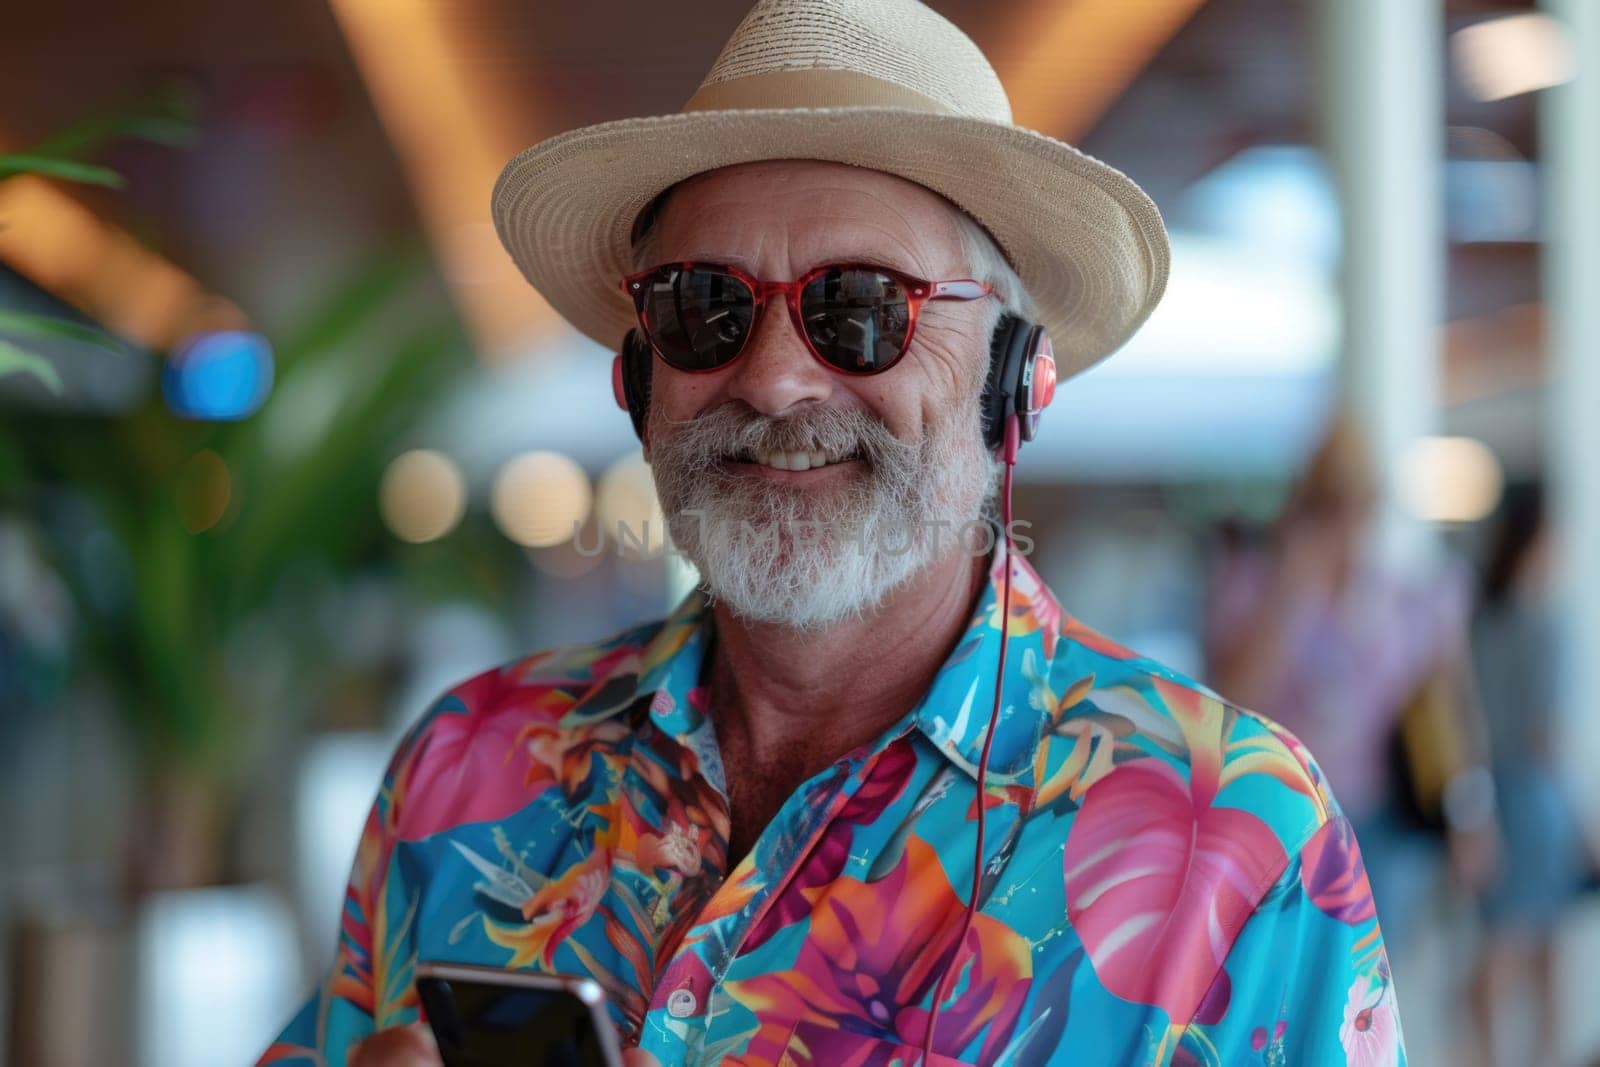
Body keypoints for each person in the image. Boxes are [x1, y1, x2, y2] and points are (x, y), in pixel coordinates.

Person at [262, 1, 1403, 1064]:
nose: (769, 379)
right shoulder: (464, 766)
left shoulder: (1242, 842)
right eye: (703, 307)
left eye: (858, 307)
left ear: (1011, 383)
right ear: (640, 373)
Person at [1205, 417, 1496, 950]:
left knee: (1375, 986)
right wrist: (1290, 593)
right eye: (1329, 503)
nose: (1345, 520)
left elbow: (1446, 711)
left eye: (1358, 502)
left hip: (1376, 819)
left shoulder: (1398, 596)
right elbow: (1228, 700)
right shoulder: (1255, 586)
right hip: (1279, 817)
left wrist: (1470, 814)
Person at [1466, 483, 1593, 1067]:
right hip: (1535, 803)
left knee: (1502, 943)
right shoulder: (1542, 624)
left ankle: (1493, 1056)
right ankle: (1545, 1054)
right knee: (1537, 948)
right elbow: (1547, 740)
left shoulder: (1477, 619)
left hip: (1489, 799)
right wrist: (1581, 819)